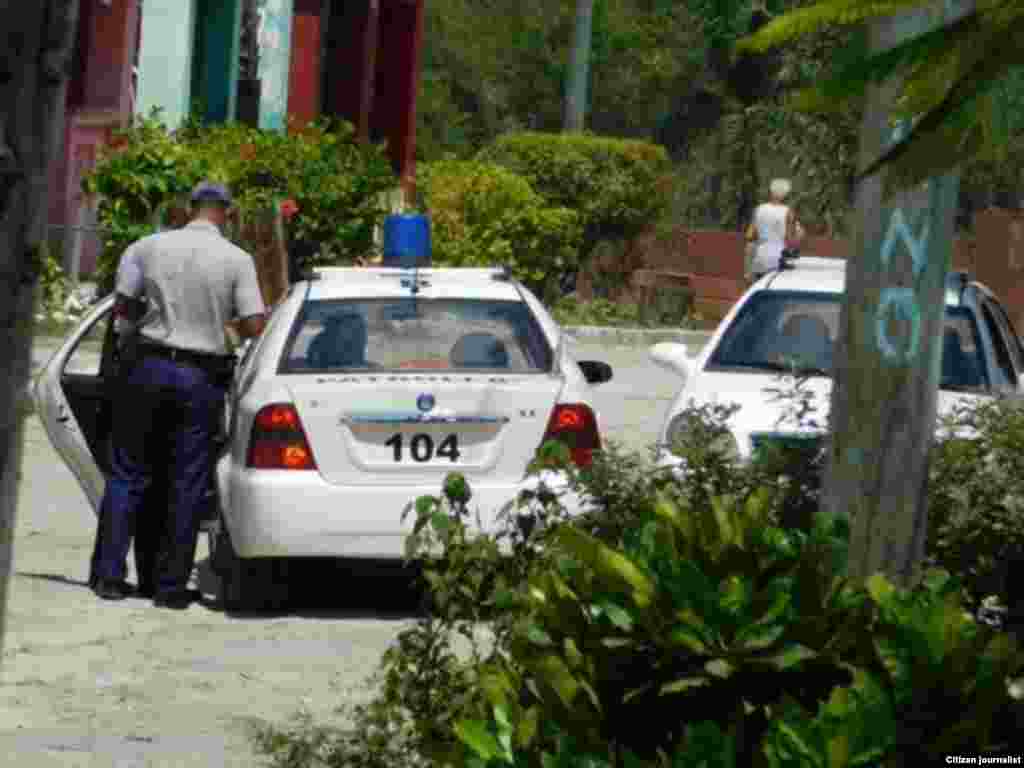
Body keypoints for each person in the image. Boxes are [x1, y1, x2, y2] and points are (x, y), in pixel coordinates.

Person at [89, 181, 267, 609]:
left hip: (147, 368)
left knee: (127, 473)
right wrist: (226, 332)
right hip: (200, 376)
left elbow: (124, 306)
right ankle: (169, 588)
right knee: (186, 482)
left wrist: (134, 335)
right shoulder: (237, 260)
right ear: (226, 212)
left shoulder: (146, 247)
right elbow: (255, 323)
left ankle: (110, 576)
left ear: (189, 209)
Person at [744, 178, 805, 282]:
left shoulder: (759, 209)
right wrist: (799, 235)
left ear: (771, 192)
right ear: (786, 195)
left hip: (760, 260)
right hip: (778, 261)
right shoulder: (788, 212)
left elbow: (749, 235)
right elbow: (790, 240)